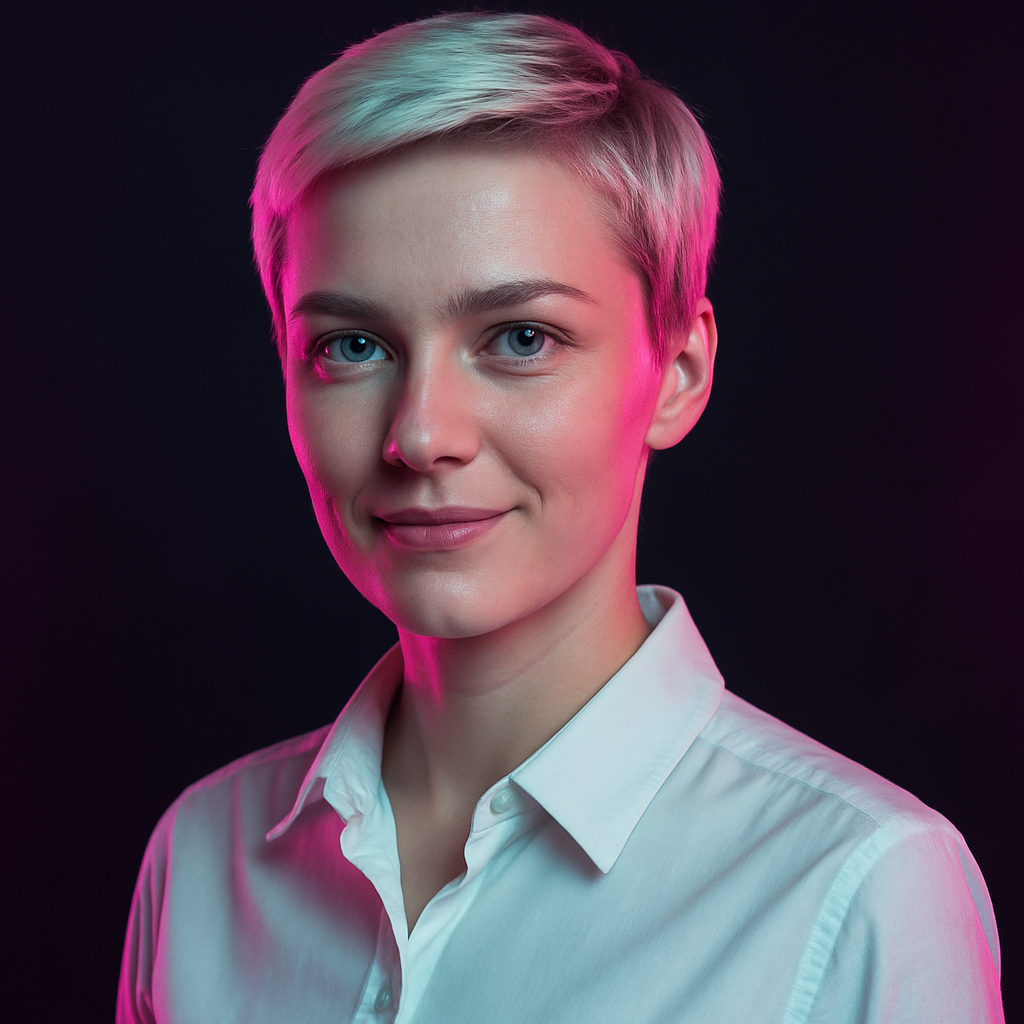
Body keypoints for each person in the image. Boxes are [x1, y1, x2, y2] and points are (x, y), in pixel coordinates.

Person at [116, 12, 1004, 1023]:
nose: (420, 435)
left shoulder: (855, 889)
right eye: (352, 346)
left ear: (677, 371)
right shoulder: (199, 859)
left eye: (520, 337)